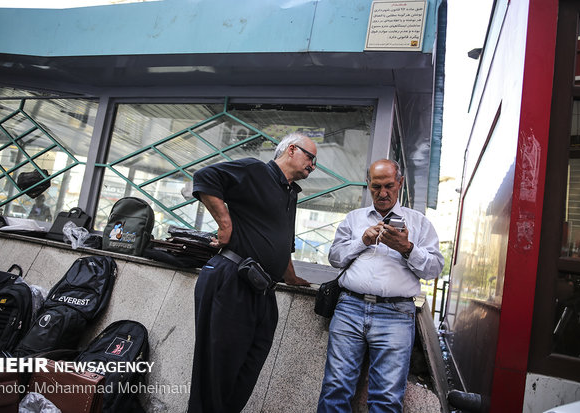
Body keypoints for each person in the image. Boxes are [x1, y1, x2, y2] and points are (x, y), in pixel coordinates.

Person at [188, 133, 317, 412]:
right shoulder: (256, 170)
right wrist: (225, 225)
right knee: (217, 372)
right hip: (232, 279)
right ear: (292, 150)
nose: (313, 165)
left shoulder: (290, 192)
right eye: (311, 157)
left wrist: (290, 275)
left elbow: (281, 239)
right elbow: (205, 177)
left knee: (247, 369)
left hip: (263, 291)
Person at [317, 159, 444, 413]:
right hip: (349, 308)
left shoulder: (419, 223)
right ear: (368, 184)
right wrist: (362, 240)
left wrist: (407, 248)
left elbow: (434, 269)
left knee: (386, 398)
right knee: (335, 388)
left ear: (400, 183)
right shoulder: (354, 219)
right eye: (376, 187)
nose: (382, 193)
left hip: (396, 314)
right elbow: (335, 258)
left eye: (388, 186)